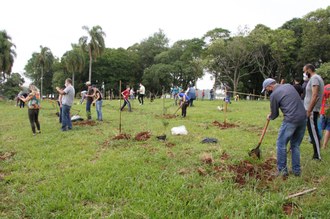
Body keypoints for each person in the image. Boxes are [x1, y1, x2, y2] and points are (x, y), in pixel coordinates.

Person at [262, 78, 306, 177]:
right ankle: (296, 171)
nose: (267, 91)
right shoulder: (289, 86)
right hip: (303, 118)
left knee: (281, 144)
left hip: (291, 120)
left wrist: (270, 116)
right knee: (295, 145)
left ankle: (282, 171)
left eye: (266, 89)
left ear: (270, 86)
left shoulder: (274, 95)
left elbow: (275, 114)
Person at [303, 64, 324, 160]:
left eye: (304, 71)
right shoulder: (315, 78)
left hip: (311, 110)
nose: (304, 73)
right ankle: (316, 154)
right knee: (312, 132)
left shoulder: (315, 78)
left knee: (314, 133)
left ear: (308, 70)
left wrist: (309, 110)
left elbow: (315, 95)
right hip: (311, 110)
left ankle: (317, 155)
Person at [320, 84, 330, 149]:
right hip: (329, 111)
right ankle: (324, 145)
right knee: (328, 128)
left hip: (323, 110)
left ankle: (319, 143)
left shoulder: (325, 87)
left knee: (321, 128)